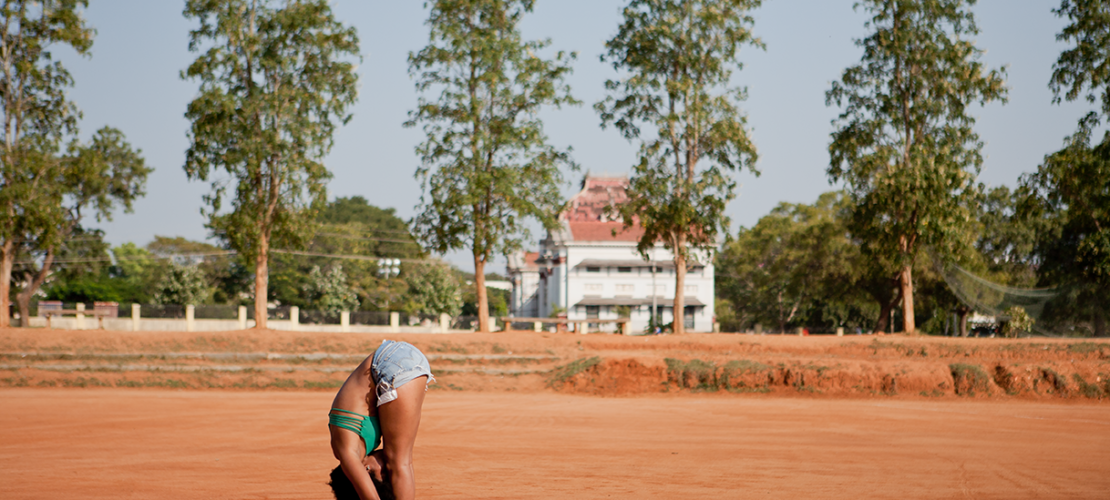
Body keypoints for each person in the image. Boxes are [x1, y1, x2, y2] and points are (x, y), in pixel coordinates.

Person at [329, 340, 434, 500]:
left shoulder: (345, 452)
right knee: (402, 460)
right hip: (409, 362)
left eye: (382, 472)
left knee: (399, 462)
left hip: (390, 363)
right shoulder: (359, 448)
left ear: (365, 470)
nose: (386, 468)